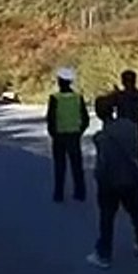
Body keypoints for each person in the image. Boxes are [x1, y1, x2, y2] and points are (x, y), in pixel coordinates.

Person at [87, 95, 138, 269]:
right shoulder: (130, 128)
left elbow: (103, 165)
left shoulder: (101, 137)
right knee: (137, 213)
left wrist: (98, 178)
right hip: (132, 177)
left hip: (111, 183)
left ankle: (104, 253)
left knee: (107, 218)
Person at [46, 68, 90, 202]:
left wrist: (53, 133)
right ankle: (80, 192)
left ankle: (59, 194)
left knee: (60, 166)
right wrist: (79, 131)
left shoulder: (55, 98)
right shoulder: (78, 97)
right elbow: (85, 118)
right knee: (77, 166)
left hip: (59, 136)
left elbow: (51, 118)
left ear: (60, 82)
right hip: (74, 135)